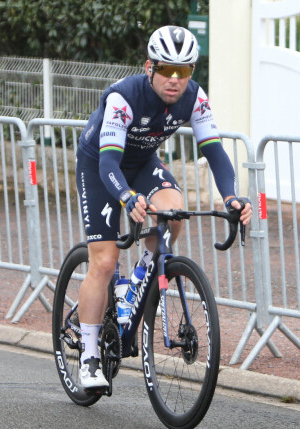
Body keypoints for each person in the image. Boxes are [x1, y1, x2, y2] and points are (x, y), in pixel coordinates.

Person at [74, 25, 252, 389]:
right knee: (105, 262)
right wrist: (126, 197)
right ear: (148, 68)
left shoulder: (195, 98)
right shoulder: (123, 98)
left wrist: (231, 196)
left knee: (173, 211)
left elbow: (214, 152)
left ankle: (140, 275)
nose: (175, 79)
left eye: (183, 71)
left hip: (141, 162)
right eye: (167, 70)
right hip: (101, 165)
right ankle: (89, 355)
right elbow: (109, 164)